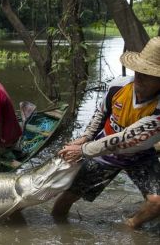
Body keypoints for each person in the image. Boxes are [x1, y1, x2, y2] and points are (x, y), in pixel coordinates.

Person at [52, 36, 160, 229]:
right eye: (139, 71)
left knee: (157, 202)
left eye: (148, 74)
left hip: (139, 155)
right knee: (66, 199)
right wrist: (85, 138)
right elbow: (100, 115)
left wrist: (83, 150)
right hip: (104, 155)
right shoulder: (118, 86)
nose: (139, 77)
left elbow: (124, 139)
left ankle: (130, 225)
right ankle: (60, 230)